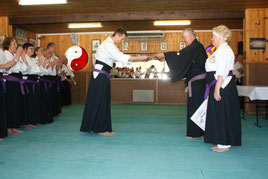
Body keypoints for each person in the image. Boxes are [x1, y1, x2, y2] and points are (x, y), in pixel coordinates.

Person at [80, 29, 148, 136]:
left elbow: (121, 57)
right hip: (100, 74)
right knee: (100, 101)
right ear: (117, 35)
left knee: (102, 101)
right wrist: (142, 58)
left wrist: (142, 59)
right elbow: (121, 57)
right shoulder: (108, 45)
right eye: (122, 39)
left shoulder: (110, 45)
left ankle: (95, 126)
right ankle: (100, 129)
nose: (122, 42)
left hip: (103, 74)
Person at [156, 28, 207, 139]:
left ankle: (196, 133)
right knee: (197, 106)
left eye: (184, 37)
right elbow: (185, 61)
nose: (183, 40)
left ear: (191, 36)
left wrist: (165, 54)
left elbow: (181, 55)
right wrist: (165, 58)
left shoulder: (196, 46)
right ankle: (200, 132)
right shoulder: (194, 48)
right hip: (197, 83)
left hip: (198, 83)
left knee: (196, 107)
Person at [204, 25, 241, 152]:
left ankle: (224, 143)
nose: (212, 39)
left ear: (219, 37)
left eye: (213, 36)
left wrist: (217, 88)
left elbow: (222, 71)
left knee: (222, 113)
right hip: (218, 83)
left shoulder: (224, 50)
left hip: (222, 84)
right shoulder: (220, 49)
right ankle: (221, 140)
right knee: (219, 113)